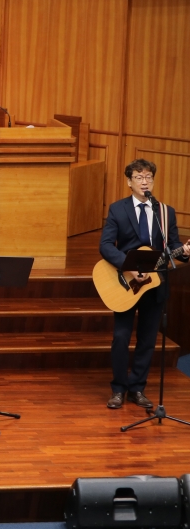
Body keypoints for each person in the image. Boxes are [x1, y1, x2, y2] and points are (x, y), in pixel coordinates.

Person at [100, 159, 190, 410]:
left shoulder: (165, 212)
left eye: (148, 177)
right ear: (129, 182)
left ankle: (137, 388)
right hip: (126, 282)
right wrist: (129, 267)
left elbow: (173, 246)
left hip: (155, 282)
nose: (144, 182)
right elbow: (105, 245)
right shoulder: (118, 209)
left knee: (148, 339)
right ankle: (118, 389)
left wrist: (184, 251)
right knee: (121, 338)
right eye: (139, 177)